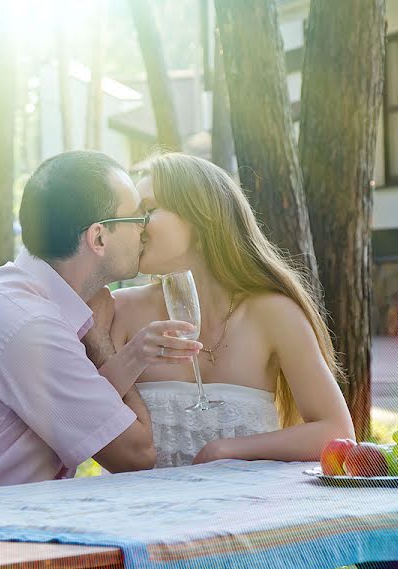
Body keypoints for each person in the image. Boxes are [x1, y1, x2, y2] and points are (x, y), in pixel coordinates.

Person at [0, 150, 199, 499]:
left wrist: (128, 352)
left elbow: (86, 403)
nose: (144, 230)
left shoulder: (14, 296)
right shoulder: (29, 326)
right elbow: (137, 454)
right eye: (137, 218)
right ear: (99, 238)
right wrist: (101, 342)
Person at [92, 153, 355, 470]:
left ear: (201, 216)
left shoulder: (274, 314)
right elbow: (86, 421)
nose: (137, 226)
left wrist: (227, 450)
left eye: (148, 210)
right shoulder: (116, 310)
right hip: (143, 515)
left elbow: (336, 432)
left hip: (247, 514)